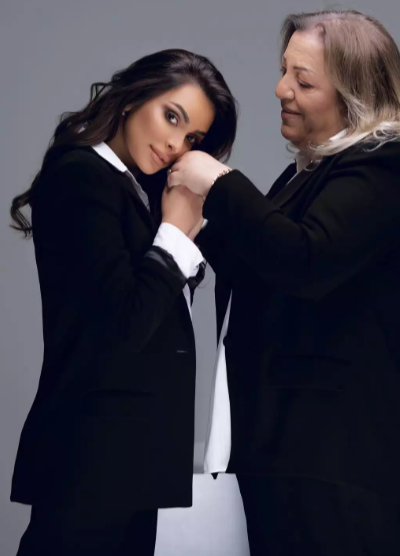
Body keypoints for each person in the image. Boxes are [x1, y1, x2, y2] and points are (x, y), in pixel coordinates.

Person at [167, 9, 400, 556]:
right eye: (283, 71)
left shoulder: (385, 165)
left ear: (355, 94)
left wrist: (219, 182)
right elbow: (260, 260)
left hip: (339, 460)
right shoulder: (312, 173)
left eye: (304, 80)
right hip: (290, 455)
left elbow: (305, 259)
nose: (281, 90)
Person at [9, 48, 238, 556]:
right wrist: (175, 233)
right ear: (133, 97)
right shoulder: (81, 176)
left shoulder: (141, 191)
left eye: (193, 138)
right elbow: (127, 323)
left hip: (132, 462)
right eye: (171, 117)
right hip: (89, 455)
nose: (175, 144)